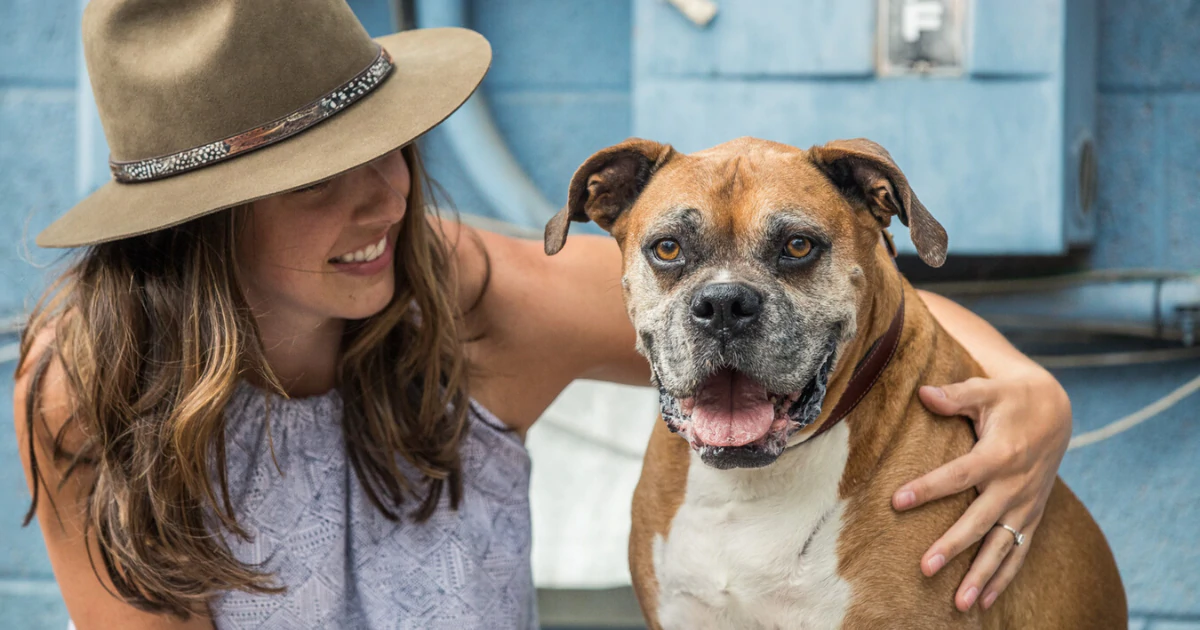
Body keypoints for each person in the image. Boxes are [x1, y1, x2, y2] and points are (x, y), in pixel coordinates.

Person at [12, 0, 1072, 627]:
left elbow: (799, 312)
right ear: (200, 222)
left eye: (389, 149)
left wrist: (1027, 389)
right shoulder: (93, 387)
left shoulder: (460, 302)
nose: (382, 199)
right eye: (315, 182)